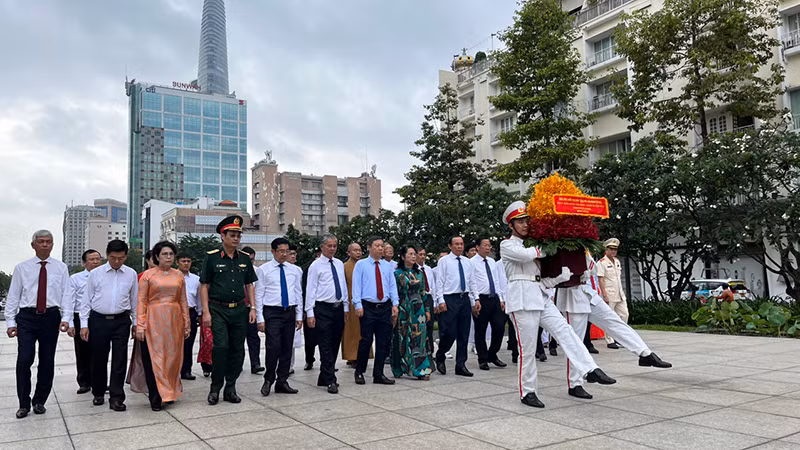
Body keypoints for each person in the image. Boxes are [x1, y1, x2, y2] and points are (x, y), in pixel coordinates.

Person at [500, 201, 616, 408]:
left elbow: (540, 279)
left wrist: (560, 277)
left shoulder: (532, 245)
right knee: (527, 351)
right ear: (511, 225)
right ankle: (528, 392)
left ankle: (590, 369)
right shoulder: (508, 245)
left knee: (565, 331)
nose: (525, 225)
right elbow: (529, 255)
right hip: (522, 301)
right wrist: (550, 243)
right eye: (520, 222)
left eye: (527, 221)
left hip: (540, 296)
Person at [556, 253, 672, 399]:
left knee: (615, 321)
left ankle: (645, 353)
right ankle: (575, 384)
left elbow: (592, 269)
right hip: (571, 296)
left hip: (587, 292)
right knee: (576, 342)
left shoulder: (582, 247)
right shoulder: (560, 245)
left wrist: (584, 251)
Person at [6, 230, 71, 419]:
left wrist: (65, 318)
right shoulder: (21, 268)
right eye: (41, 241)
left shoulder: (61, 268)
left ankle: (39, 400)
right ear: (33, 245)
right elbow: (13, 296)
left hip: (50, 317)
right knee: (25, 358)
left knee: (47, 360)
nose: (45, 245)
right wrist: (11, 321)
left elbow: (66, 294)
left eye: (48, 242)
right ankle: (23, 403)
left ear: (53, 245)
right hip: (26, 317)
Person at [199, 215, 258, 405]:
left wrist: (253, 308)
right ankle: (215, 387)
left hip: (240, 309)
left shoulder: (244, 259)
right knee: (221, 347)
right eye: (232, 235)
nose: (236, 238)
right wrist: (206, 312)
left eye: (238, 235)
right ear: (222, 236)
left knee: (237, 349)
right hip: (218, 309)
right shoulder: (212, 257)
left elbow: (249, 284)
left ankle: (230, 387)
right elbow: (204, 286)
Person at [80, 239, 138, 412]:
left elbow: (134, 301)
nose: (117, 262)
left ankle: (117, 397)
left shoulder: (131, 274)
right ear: (107, 255)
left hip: (121, 320)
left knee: (120, 359)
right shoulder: (95, 274)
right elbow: (86, 301)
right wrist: (84, 324)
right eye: (113, 258)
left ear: (125, 256)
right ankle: (98, 392)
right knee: (99, 357)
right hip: (99, 320)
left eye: (120, 258)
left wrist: (136, 323)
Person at [134, 241, 191, 410]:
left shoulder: (178, 275)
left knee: (173, 358)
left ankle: (170, 392)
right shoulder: (148, 275)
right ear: (157, 257)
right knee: (155, 358)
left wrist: (186, 323)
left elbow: (183, 300)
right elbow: (141, 301)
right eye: (164, 254)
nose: (168, 257)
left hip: (174, 320)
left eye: (171, 254)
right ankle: (155, 395)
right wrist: (140, 325)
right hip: (154, 319)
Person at [257, 237, 303, 396]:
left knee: (286, 348)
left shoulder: (295, 270)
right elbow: (259, 294)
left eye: (287, 251)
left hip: (289, 311)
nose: (284, 254)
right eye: (281, 251)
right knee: (273, 346)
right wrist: (260, 318)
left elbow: (298, 293)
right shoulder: (264, 269)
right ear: (273, 252)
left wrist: (299, 315)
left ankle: (282, 381)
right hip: (272, 312)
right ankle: (269, 378)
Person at [352, 236, 399, 386]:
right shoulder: (361, 264)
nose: (380, 248)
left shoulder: (387, 266)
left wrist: (395, 304)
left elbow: (392, 286)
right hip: (368, 307)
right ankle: (359, 371)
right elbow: (356, 286)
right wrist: (357, 304)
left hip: (384, 306)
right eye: (377, 245)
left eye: (382, 246)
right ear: (369, 247)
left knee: (383, 342)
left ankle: (378, 373)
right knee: (366, 341)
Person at [305, 234, 349, 393]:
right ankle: (331, 379)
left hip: (338, 308)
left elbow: (342, 285)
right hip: (322, 308)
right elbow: (311, 289)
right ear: (322, 247)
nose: (332, 249)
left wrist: (346, 307)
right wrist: (309, 312)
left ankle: (324, 375)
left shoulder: (338, 264)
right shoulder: (315, 266)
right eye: (329, 246)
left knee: (334, 343)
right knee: (324, 344)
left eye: (335, 246)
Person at [434, 236, 479, 377]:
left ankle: (461, 364)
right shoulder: (444, 261)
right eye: (456, 244)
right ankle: (440, 355)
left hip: (464, 298)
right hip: (450, 298)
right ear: (450, 246)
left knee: (463, 333)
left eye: (461, 244)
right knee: (449, 332)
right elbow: (439, 282)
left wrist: (475, 299)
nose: (459, 246)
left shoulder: (467, 262)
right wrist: (440, 300)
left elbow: (472, 282)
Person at [390, 245, 433, 380]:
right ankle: (400, 367)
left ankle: (421, 370)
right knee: (402, 338)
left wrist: (427, 310)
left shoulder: (419, 273)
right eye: (410, 254)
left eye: (415, 254)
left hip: (418, 310)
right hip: (404, 309)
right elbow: (394, 293)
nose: (414, 257)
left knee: (419, 340)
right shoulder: (397, 274)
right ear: (403, 257)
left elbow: (423, 292)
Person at [64, 249, 103, 395]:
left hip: (99, 317)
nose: (95, 262)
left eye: (97, 259)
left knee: (100, 350)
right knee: (82, 351)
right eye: (92, 259)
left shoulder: (105, 276)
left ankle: (99, 381)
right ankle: (84, 382)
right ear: (84, 262)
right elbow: (70, 300)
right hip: (80, 316)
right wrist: (70, 323)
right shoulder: (75, 278)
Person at [469, 238, 508, 371]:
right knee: (480, 330)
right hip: (481, 299)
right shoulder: (472, 263)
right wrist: (475, 300)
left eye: (489, 246)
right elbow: (471, 282)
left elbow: (496, 281)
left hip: (494, 298)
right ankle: (483, 358)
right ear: (477, 247)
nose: (488, 248)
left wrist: (501, 299)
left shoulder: (492, 262)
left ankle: (492, 354)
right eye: (485, 245)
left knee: (499, 327)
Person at [597, 238, 628, 349]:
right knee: (609, 317)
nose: (614, 251)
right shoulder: (601, 263)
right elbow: (601, 279)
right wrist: (604, 295)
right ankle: (610, 340)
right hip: (609, 293)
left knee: (624, 315)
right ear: (606, 250)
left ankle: (620, 338)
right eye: (611, 249)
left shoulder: (617, 261)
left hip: (619, 293)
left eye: (615, 249)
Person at [241, 246, 265, 374]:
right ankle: (237, 364)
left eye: (252, 259)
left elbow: (260, 292)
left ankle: (255, 364)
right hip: (238, 309)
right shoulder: (237, 269)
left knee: (253, 337)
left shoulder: (257, 271)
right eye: (248, 259)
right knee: (238, 339)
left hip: (251, 308)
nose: (250, 262)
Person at [177, 252, 201, 380]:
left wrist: (200, 314)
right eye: (183, 261)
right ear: (177, 262)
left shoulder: (196, 279)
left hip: (191, 312)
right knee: (175, 344)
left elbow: (199, 299)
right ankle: (175, 370)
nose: (186, 263)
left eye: (188, 261)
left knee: (189, 343)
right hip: (176, 313)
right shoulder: (172, 277)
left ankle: (186, 370)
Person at [341, 242, 364, 366]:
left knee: (362, 330)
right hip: (349, 302)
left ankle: (361, 354)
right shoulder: (344, 266)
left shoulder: (364, 265)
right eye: (355, 250)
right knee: (350, 330)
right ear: (348, 252)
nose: (358, 253)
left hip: (363, 301)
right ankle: (351, 356)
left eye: (360, 250)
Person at [301, 248, 321, 371]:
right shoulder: (309, 268)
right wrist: (305, 310)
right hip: (311, 306)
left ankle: (327, 362)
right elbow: (305, 289)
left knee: (327, 337)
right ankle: (309, 359)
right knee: (310, 337)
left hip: (325, 307)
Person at [416, 248, 436, 357]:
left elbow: (433, 286)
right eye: (420, 254)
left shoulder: (428, 269)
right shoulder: (415, 270)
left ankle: (430, 350)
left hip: (428, 297)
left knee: (430, 325)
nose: (422, 257)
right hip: (419, 298)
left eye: (424, 254)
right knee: (420, 324)